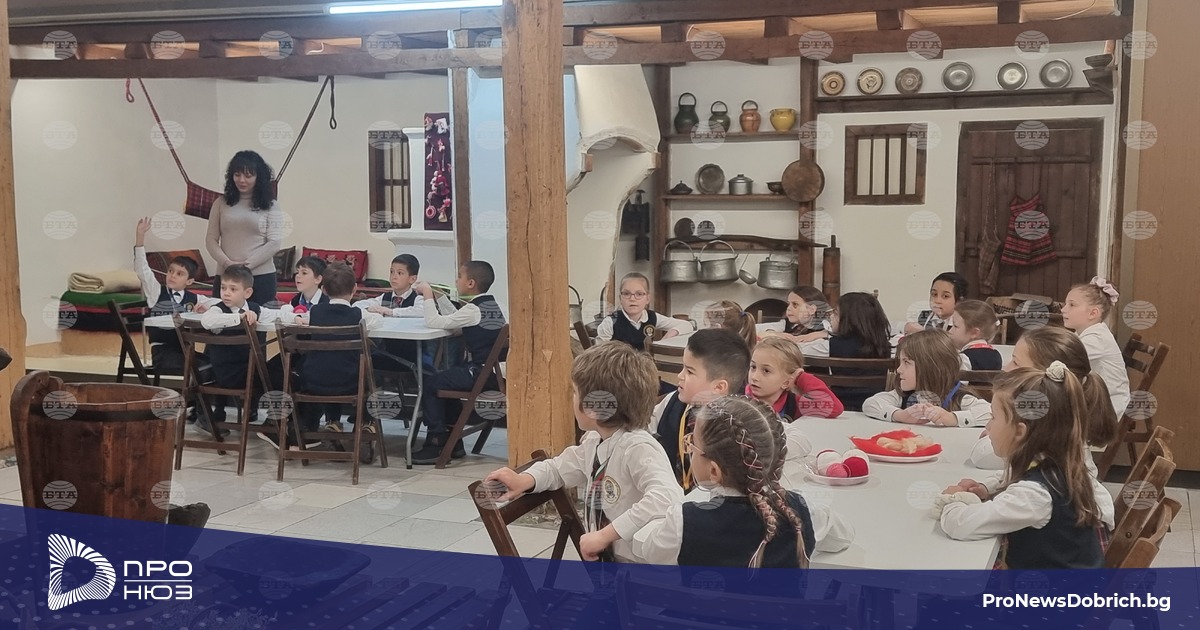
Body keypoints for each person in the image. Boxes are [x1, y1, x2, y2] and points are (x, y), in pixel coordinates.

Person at [485, 342, 682, 562]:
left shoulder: (638, 447)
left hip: (642, 568)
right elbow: (558, 468)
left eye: (575, 392)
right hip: (610, 564)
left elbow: (667, 497)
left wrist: (606, 535)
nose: (571, 398)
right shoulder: (595, 441)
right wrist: (524, 480)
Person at [933, 364, 1104, 569]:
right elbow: (1009, 477)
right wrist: (987, 488)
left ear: (1019, 432)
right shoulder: (1059, 465)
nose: (988, 426)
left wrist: (952, 500)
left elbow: (961, 525)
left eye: (993, 417)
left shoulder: (1034, 495)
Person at [969, 326, 1118, 541]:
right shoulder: (1063, 426)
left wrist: (954, 503)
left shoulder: (1047, 435)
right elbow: (1024, 471)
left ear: (1044, 377)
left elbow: (981, 456)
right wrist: (989, 486)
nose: (1006, 368)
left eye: (1016, 363)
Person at [632, 397, 817, 568]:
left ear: (714, 470)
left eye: (692, 444)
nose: (689, 449)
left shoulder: (683, 522)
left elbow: (648, 551)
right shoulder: (802, 509)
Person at [285, 263, 384, 462]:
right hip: (351, 383)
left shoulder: (315, 313)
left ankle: (332, 423)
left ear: (324, 289)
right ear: (354, 289)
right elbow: (378, 322)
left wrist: (297, 319)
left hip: (313, 383)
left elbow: (295, 318)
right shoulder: (359, 315)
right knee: (372, 372)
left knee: (328, 366)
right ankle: (366, 425)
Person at [410, 261, 506, 464]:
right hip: (495, 374)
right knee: (448, 379)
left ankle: (436, 440)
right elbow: (454, 318)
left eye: (460, 276)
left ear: (471, 283)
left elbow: (434, 322)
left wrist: (427, 294)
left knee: (432, 382)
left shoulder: (473, 310)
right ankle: (454, 442)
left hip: (482, 374)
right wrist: (439, 297)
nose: (456, 280)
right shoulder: (492, 304)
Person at [649, 329, 750, 490]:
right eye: (683, 367)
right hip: (669, 494)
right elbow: (646, 427)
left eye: (689, 371)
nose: (680, 376)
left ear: (719, 387)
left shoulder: (741, 427)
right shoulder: (672, 402)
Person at [198, 264, 284, 433]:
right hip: (228, 373)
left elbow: (274, 314)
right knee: (280, 376)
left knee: (283, 367)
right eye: (223, 288)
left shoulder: (254, 308)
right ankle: (275, 425)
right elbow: (207, 321)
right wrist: (239, 318)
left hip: (248, 370)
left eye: (233, 289)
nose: (226, 293)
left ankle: (276, 420)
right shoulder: (218, 309)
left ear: (247, 292)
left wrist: (297, 317)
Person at [133, 217, 220, 375]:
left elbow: (218, 302)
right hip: (163, 353)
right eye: (171, 271)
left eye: (179, 274)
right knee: (199, 368)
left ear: (189, 281)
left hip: (184, 350)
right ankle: (193, 391)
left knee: (215, 364)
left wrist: (209, 308)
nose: (172, 275)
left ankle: (201, 392)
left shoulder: (194, 298)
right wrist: (140, 237)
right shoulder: (157, 292)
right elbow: (142, 270)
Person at [863, 330, 990, 427]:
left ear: (930, 368)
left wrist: (953, 418)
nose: (899, 370)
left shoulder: (957, 397)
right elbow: (870, 404)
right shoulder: (904, 394)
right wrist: (899, 415)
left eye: (906, 363)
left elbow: (990, 413)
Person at [205, 150, 285, 306]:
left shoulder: (272, 205)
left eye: (248, 176)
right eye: (237, 175)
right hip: (226, 277)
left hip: (261, 277)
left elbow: (274, 242)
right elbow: (210, 239)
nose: (242, 180)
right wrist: (227, 263)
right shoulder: (220, 203)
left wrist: (246, 266)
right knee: (222, 319)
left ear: (259, 177)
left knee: (259, 320)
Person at [798, 292, 892, 412]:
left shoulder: (829, 345)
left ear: (849, 320)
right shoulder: (885, 346)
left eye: (836, 313)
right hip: (875, 408)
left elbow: (793, 352)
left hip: (838, 407)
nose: (831, 316)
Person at [1060, 277, 1131, 417]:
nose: (1063, 309)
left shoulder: (1096, 339)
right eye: (1065, 304)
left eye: (1072, 305)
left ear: (1093, 313)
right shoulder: (1084, 333)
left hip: (1107, 408)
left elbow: (1062, 360)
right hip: (1095, 399)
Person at [747, 337, 842, 420]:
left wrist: (801, 378)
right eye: (753, 367)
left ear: (786, 382)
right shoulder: (742, 401)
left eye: (766, 371)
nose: (755, 377)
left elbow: (835, 408)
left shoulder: (793, 403)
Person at [596, 272, 692, 351]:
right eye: (626, 294)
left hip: (646, 366)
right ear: (620, 298)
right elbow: (599, 354)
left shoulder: (652, 317)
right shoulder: (610, 322)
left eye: (639, 294)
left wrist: (670, 334)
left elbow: (687, 325)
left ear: (647, 298)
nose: (632, 299)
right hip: (619, 367)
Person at [947, 299, 1003, 370]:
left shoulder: (963, 359)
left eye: (955, 326)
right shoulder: (996, 356)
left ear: (974, 333)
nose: (950, 331)